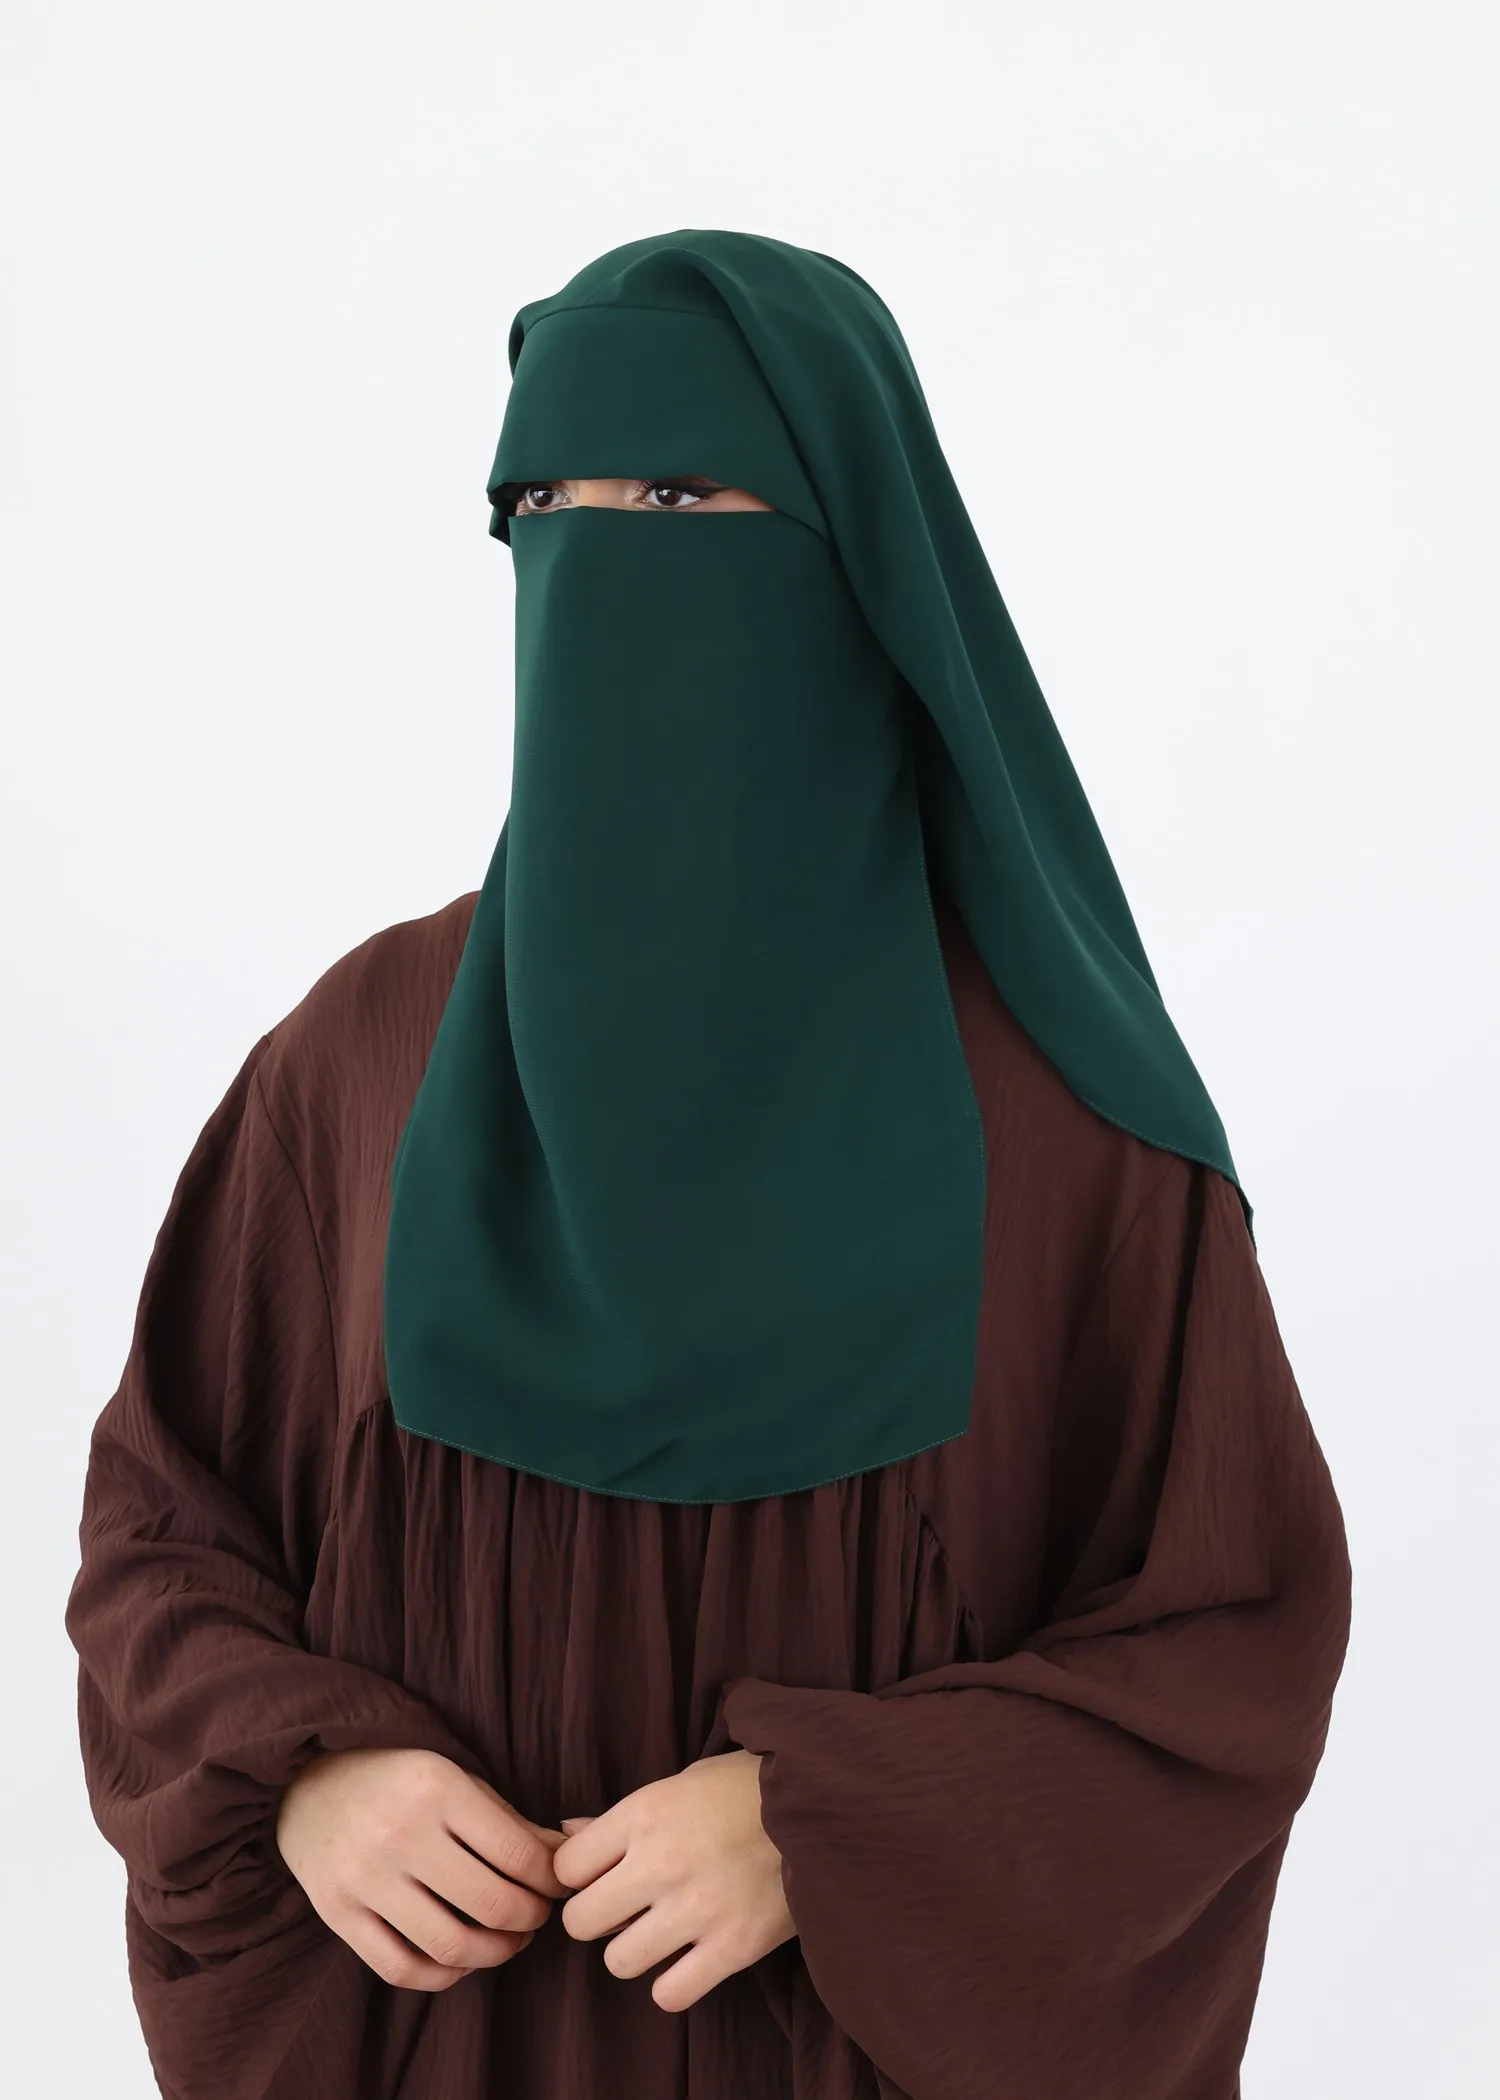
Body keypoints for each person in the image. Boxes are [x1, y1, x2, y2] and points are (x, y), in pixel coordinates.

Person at [66, 229, 1352, 2100]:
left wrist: (838, 1821)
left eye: (675, 495)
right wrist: (302, 1773)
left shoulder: (1071, 1124)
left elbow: (1230, 1655)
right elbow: (164, 1533)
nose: (599, 557)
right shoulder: (355, 1060)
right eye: (544, 504)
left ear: (851, 553)